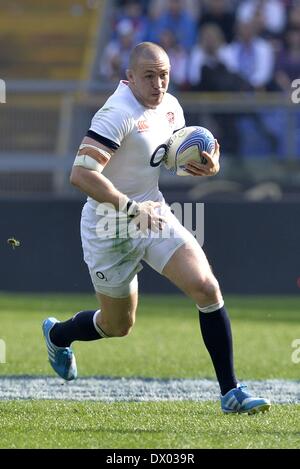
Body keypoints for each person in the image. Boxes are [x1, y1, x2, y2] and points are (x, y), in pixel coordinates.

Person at [42, 42, 271, 414]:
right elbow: (81, 175)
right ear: (129, 77)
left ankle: (231, 392)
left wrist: (207, 164)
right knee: (118, 325)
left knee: (206, 287)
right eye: (149, 76)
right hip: (108, 225)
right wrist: (131, 209)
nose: (158, 83)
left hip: (153, 214)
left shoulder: (170, 106)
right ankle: (58, 334)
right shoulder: (115, 113)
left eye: (164, 74)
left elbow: (170, 157)